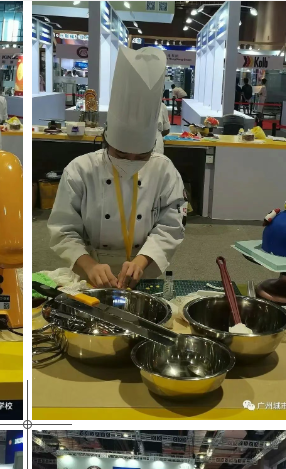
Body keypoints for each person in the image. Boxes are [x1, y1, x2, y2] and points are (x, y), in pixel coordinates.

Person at [48, 46, 185, 290]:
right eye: (121, 154)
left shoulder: (164, 170)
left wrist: (142, 261)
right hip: (89, 270)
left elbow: (171, 224)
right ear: (106, 140)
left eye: (141, 156)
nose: (130, 161)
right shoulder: (80, 170)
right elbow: (63, 229)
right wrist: (89, 265)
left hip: (145, 271)